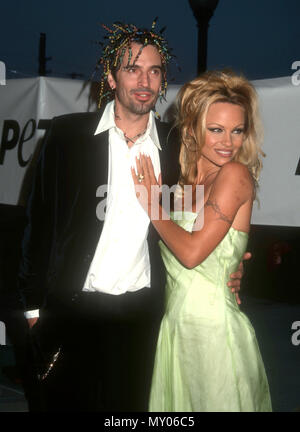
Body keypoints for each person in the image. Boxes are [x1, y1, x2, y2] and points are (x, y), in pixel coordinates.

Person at [18, 22, 247, 412]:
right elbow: (37, 227)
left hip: (143, 318)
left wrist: (234, 261)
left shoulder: (180, 147)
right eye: (132, 69)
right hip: (72, 311)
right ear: (111, 76)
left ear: (162, 80)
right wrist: (33, 312)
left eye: (154, 71)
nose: (144, 80)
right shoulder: (66, 137)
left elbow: (199, 222)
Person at [132, 70, 272, 412]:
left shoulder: (235, 175)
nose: (228, 142)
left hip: (215, 336)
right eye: (216, 130)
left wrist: (152, 205)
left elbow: (193, 254)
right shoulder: (184, 186)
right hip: (177, 329)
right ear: (193, 129)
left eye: (237, 131)